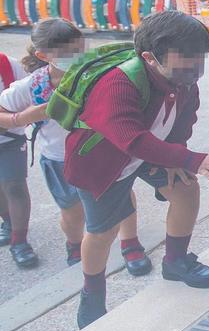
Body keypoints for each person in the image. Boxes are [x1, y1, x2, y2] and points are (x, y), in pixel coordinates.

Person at [67, 10, 209, 328]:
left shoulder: (183, 78)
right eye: (185, 59)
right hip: (104, 162)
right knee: (103, 232)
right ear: (149, 57)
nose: (195, 67)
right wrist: (191, 159)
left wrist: (179, 155)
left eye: (199, 58)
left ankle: (175, 261)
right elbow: (131, 140)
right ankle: (92, 296)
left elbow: (184, 118)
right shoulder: (116, 83)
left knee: (186, 188)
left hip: (149, 152)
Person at [0, 19, 152, 275]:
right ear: (42, 55)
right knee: (72, 211)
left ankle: (130, 242)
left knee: (122, 196)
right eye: (67, 54)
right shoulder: (33, 86)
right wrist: (24, 118)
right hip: (59, 159)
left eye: (80, 49)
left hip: (103, 150)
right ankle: (74, 245)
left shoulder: (102, 70)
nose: (77, 57)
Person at [0, 51, 32, 267]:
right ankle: (9, 223)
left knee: (15, 186)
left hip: (10, 138)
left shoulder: (8, 65)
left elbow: (28, 97)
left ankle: (19, 242)